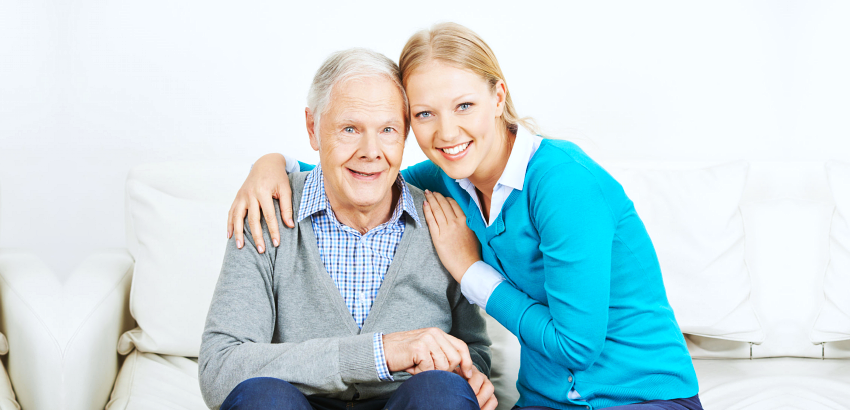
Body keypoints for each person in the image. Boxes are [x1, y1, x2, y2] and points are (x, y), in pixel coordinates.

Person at [228, 23, 702, 410]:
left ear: (499, 98)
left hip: (642, 397)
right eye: (425, 114)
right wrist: (271, 165)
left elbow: (575, 347)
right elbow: (360, 168)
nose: (447, 132)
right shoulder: (449, 177)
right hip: (547, 402)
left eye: (465, 106)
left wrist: (469, 271)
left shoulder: (563, 182)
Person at [199, 48, 497, 410]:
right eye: (350, 129)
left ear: (405, 135)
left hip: (406, 403)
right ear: (313, 128)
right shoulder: (266, 208)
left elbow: (474, 351)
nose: (370, 151)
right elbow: (219, 370)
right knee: (265, 398)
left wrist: (469, 375)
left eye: (388, 130)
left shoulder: (441, 220)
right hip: (298, 403)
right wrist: (379, 353)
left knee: (442, 392)